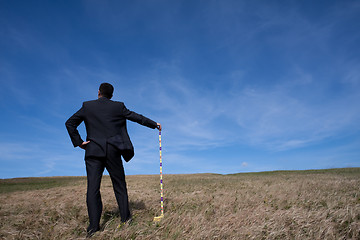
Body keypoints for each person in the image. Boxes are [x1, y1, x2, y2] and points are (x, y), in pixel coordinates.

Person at [65, 83, 161, 237]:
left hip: (93, 150)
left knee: (93, 188)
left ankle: (94, 227)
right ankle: (125, 219)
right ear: (112, 95)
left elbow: (69, 123)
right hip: (113, 151)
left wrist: (79, 142)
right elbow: (136, 117)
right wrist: (154, 124)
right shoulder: (118, 107)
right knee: (120, 185)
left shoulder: (87, 106)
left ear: (98, 92)